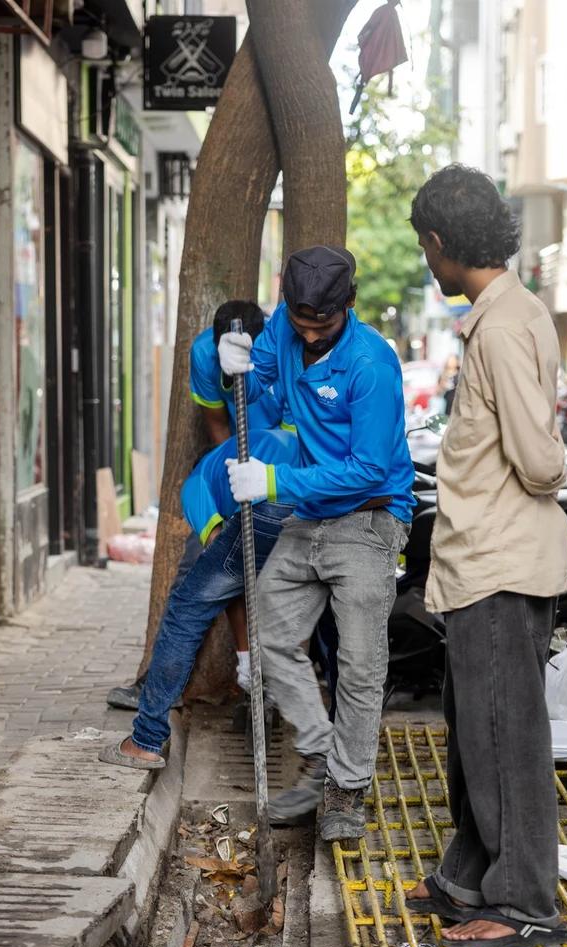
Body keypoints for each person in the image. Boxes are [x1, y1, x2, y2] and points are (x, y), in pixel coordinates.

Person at [399, 164, 567, 947]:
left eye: (426, 251)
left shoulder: (500, 326)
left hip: (502, 560)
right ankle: (468, 875)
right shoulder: (507, 313)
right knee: (478, 729)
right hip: (484, 560)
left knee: (505, 736)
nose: (429, 266)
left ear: (439, 243)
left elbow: (539, 461)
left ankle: (525, 900)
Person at [219, 245, 415, 841]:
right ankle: (324, 755)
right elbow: (267, 392)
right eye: (299, 322)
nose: (307, 334)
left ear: (347, 306)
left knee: (359, 665)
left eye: (321, 325)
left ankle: (345, 791)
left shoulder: (371, 365)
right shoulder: (283, 327)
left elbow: (368, 469)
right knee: (270, 636)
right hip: (310, 516)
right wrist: (237, 372)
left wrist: (274, 480)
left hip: (367, 519)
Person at [105, 300, 275, 708]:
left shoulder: (282, 351)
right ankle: (167, 689)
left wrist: (273, 484)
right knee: (208, 564)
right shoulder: (203, 353)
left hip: (288, 474)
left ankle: (280, 687)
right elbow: (217, 425)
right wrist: (235, 478)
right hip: (237, 467)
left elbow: (297, 433)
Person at [98, 426, 300, 769]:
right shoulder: (267, 440)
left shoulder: (196, 482)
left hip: (270, 506)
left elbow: (224, 569)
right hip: (319, 497)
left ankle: (146, 739)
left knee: (185, 612)